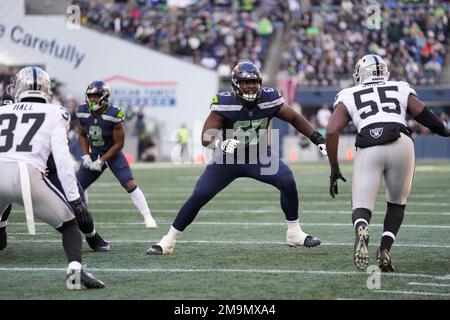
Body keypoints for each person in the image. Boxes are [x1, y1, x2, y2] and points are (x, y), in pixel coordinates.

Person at [147, 61, 326, 255]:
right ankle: (168, 240)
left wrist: (316, 137)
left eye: (254, 82)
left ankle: (294, 233)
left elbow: (294, 118)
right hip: (228, 159)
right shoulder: (225, 103)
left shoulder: (269, 99)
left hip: (259, 155)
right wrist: (219, 144)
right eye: (245, 82)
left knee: (287, 180)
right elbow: (206, 136)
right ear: (235, 84)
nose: (250, 86)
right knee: (200, 195)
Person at [326, 54, 450, 272]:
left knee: (361, 205)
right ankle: (384, 250)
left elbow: (331, 131)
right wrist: (444, 131)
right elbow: (423, 114)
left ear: (359, 74)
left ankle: (362, 228)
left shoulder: (348, 94)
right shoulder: (400, 87)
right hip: (401, 142)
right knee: (397, 203)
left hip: (369, 145)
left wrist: (335, 168)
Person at [0, 66, 104, 288]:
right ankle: (75, 274)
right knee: (69, 225)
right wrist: (75, 200)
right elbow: (63, 160)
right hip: (26, 175)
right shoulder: (56, 112)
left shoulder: (2, 110)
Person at [76, 80, 157, 229]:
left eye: (96, 96)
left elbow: (119, 143)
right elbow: (81, 134)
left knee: (129, 184)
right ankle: (83, 216)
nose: (92, 99)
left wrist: (103, 160)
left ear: (105, 96)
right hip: (94, 154)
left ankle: (148, 216)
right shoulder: (82, 110)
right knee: (77, 186)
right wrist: (86, 155)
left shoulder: (114, 113)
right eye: (90, 95)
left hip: (113, 154)